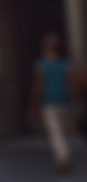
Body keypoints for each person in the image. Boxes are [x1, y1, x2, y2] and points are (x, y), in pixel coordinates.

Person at [31, 32, 75, 174]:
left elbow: (38, 87)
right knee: (63, 132)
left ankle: (63, 156)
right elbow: (71, 84)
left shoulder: (42, 65)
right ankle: (64, 155)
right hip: (64, 101)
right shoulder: (65, 64)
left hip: (49, 103)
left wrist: (35, 105)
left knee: (56, 133)